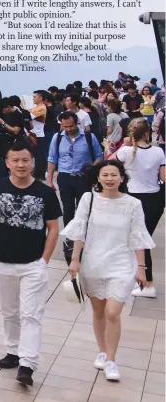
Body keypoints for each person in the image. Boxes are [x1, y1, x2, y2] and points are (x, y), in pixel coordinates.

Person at [0, 140, 61, 387]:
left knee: (31, 315)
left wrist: (44, 261)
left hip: (33, 263)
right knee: (10, 312)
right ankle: (13, 351)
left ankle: (27, 364)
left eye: (25, 160)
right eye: (15, 160)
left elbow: (53, 229)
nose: (21, 164)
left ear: (32, 162)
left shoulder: (46, 193)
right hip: (3, 261)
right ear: (7, 163)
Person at [63, 160, 153, 381]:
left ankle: (112, 360)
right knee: (99, 311)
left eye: (114, 174)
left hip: (122, 264)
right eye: (105, 175)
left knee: (113, 312)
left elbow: (138, 237)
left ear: (122, 178)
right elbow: (79, 230)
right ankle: (102, 351)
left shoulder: (133, 204)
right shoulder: (89, 199)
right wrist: (75, 260)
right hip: (94, 262)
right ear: (98, 178)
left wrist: (141, 268)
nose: (110, 179)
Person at [114, 119, 165, 299]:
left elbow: (108, 164)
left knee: (138, 240)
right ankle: (141, 279)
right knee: (142, 239)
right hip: (155, 200)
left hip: (133, 199)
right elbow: (164, 177)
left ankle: (146, 283)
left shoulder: (125, 152)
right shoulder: (158, 151)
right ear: (147, 133)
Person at [46, 111, 103, 264]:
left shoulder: (89, 137)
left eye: (71, 126)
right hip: (65, 177)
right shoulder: (57, 138)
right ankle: (70, 240)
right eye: (65, 127)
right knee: (68, 208)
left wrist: (91, 168)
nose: (68, 129)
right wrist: (50, 179)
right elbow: (52, 158)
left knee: (83, 208)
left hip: (83, 177)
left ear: (77, 123)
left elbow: (99, 155)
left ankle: (83, 237)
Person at [0, 98, 25, 183]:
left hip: (17, 144)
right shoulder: (7, 115)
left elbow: (16, 131)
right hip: (7, 144)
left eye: (3, 109)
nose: (3, 112)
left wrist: (3, 123)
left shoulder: (18, 115)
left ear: (8, 107)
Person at [30, 91, 49, 180]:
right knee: (37, 155)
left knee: (40, 155)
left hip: (39, 134)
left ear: (41, 98)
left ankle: (40, 174)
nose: (33, 98)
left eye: (35, 97)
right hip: (34, 133)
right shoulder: (36, 107)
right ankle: (37, 172)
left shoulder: (42, 108)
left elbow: (31, 116)